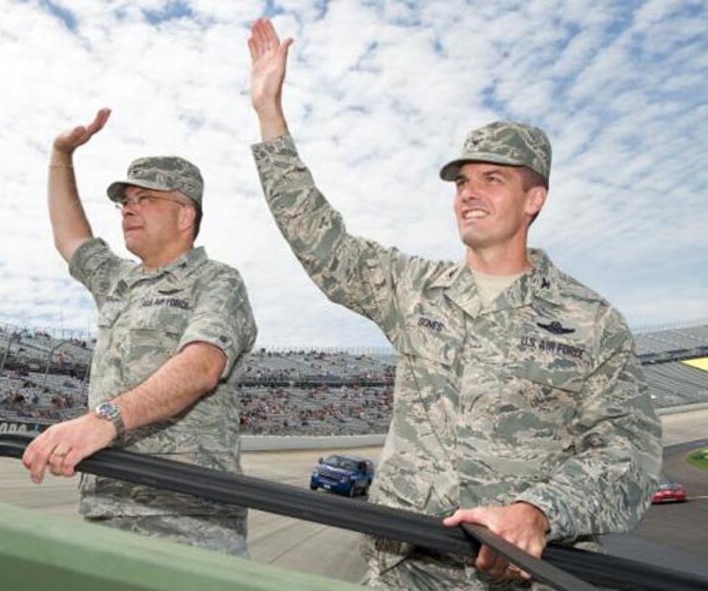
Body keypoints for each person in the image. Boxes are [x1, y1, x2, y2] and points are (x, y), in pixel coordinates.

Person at [247, 18, 661, 589]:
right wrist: (270, 115)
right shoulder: (415, 288)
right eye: (463, 181)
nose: (469, 192)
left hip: (521, 577)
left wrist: (539, 510)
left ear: (533, 199)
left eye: (492, 179)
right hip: (404, 568)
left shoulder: (590, 321)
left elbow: (629, 454)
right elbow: (322, 241)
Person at [22, 109, 257, 556]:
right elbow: (69, 236)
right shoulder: (118, 280)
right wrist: (61, 155)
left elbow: (203, 365)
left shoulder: (216, 280)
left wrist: (106, 419)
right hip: (106, 509)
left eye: (145, 199)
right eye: (125, 200)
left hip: (190, 520)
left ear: (185, 214)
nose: (128, 207)